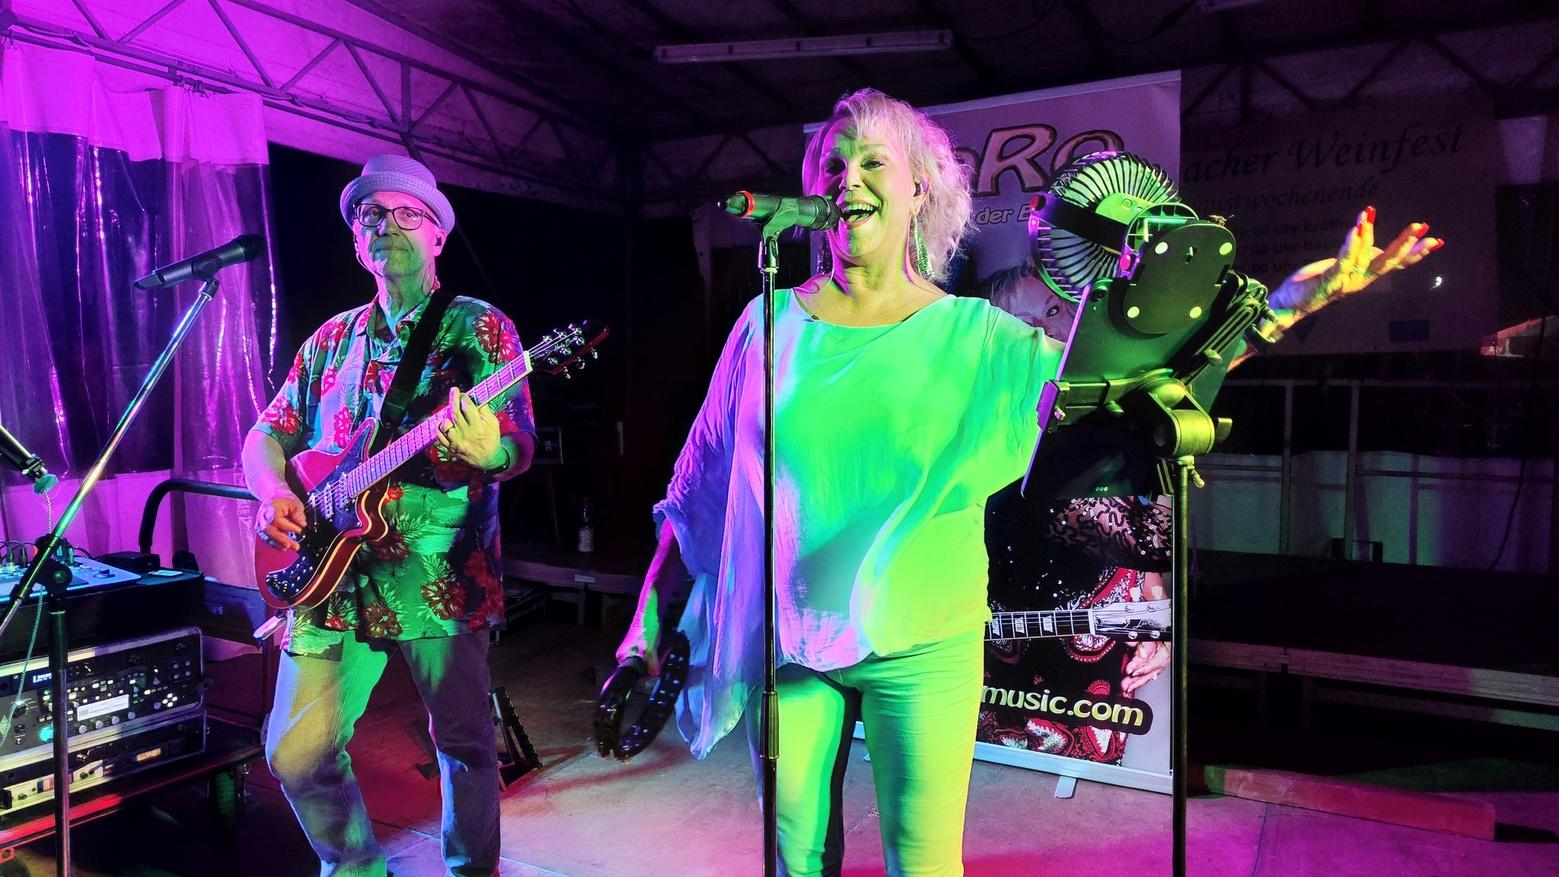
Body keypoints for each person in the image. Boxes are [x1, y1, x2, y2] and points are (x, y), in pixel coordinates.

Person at [980, 209, 1442, 762]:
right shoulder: (986, 422)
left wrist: (1310, 296)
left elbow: (1222, 349)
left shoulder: (1119, 397)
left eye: (1058, 309)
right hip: (1001, 674)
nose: (1052, 328)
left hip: (1104, 668)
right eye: (1030, 322)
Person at [243, 154, 536, 877]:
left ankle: (472, 869)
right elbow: (266, 434)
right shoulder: (331, 339)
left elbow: (519, 443)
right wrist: (273, 491)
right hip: (328, 575)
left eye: (409, 213)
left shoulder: (479, 327)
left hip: (438, 575)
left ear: (438, 236)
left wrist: (492, 450)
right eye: (371, 214)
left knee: (465, 746)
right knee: (294, 751)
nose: (387, 225)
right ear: (356, 242)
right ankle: (355, 866)